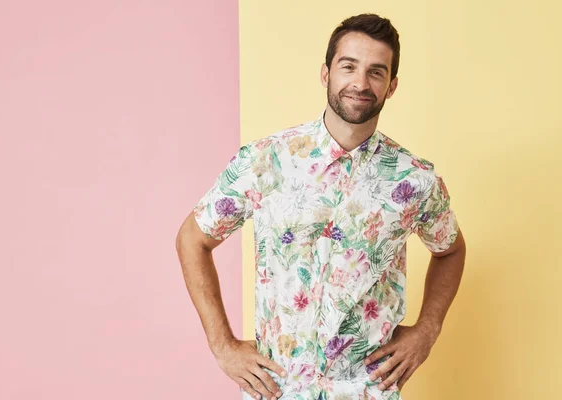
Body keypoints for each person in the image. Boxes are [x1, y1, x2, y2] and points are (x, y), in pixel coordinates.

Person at [175, 13, 466, 400]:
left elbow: (451, 250)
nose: (360, 83)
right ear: (326, 73)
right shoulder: (266, 161)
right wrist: (222, 344)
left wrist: (427, 330)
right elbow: (192, 239)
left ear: (391, 86)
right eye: (349, 67)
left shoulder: (414, 181)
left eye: (376, 72)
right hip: (277, 390)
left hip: (367, 391)